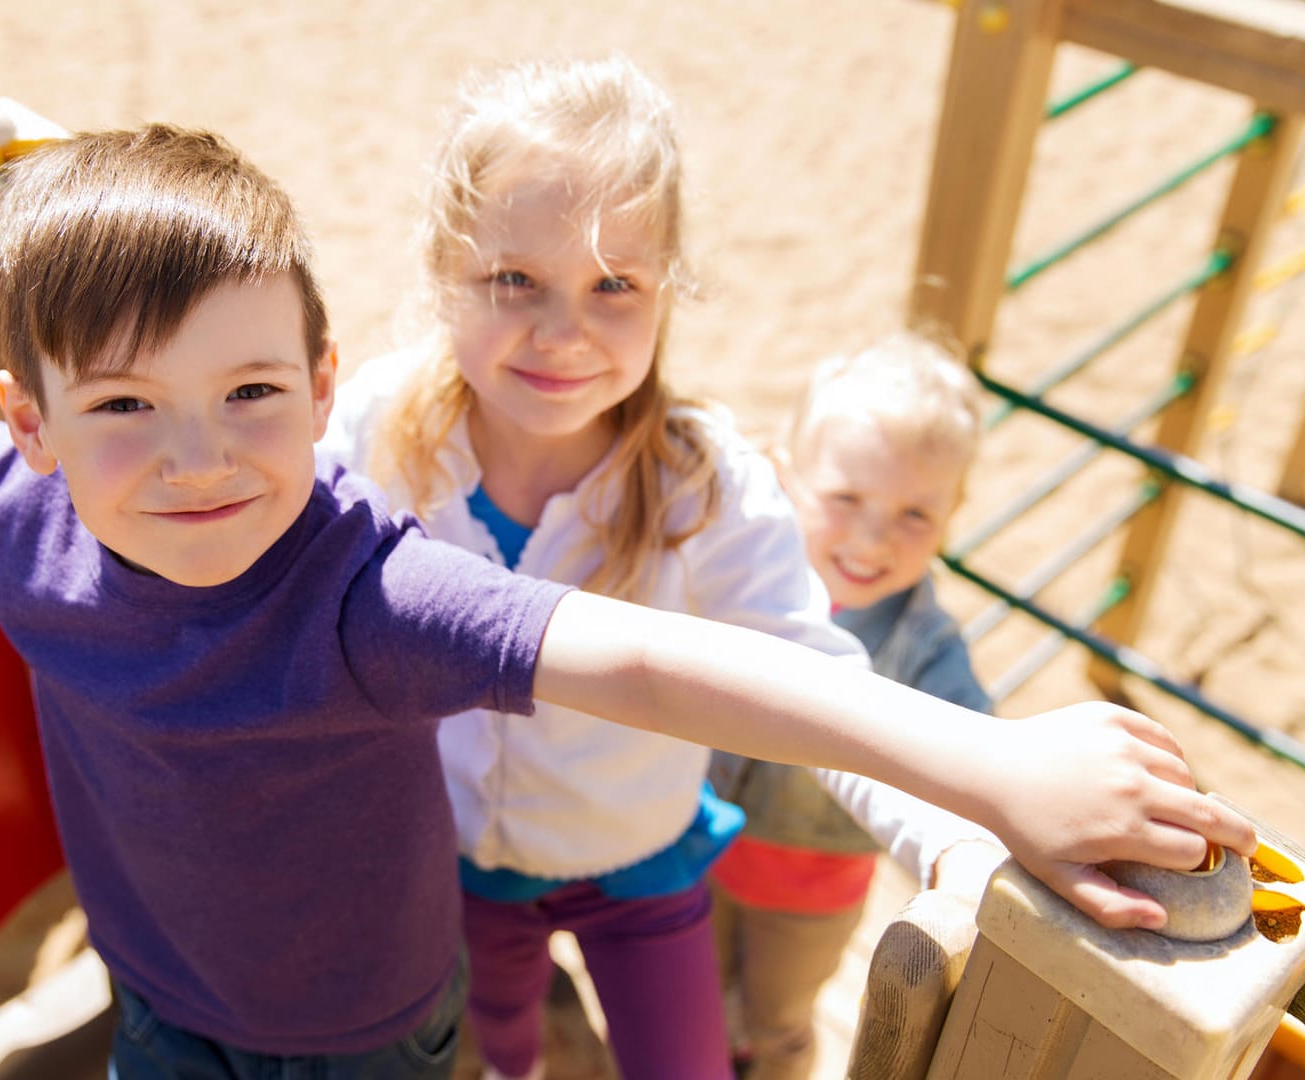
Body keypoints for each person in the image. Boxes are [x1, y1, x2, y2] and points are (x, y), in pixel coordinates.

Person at [0, 125, 1249, 1079]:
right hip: (162, 1005)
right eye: (126, 408)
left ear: (325, 376)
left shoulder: (366, 598)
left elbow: (660, 659)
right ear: (31, 429)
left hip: (368, 1040)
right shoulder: (6, 513)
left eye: (253, 396)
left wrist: (984, 766)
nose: (199, 459)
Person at [319, 57, 1019, 1080]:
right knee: (497, 1041)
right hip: (454, 859)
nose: (563, 334)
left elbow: (813, 674)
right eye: (514, 279)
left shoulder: (704, 486)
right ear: (441, 271)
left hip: (637, 861)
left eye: (614, 286)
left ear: (665, 293)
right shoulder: (378, 431)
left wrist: (956, 831)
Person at [708, 331, 996, 1079]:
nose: (873, 538)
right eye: (845, 498)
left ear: (953, 511)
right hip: (696, 845)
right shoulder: (744, 580)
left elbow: (979, 748)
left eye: (915, 516)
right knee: (697, 995)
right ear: (786, 475)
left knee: (776, 1021)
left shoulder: (924, 647)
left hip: (811, 892)